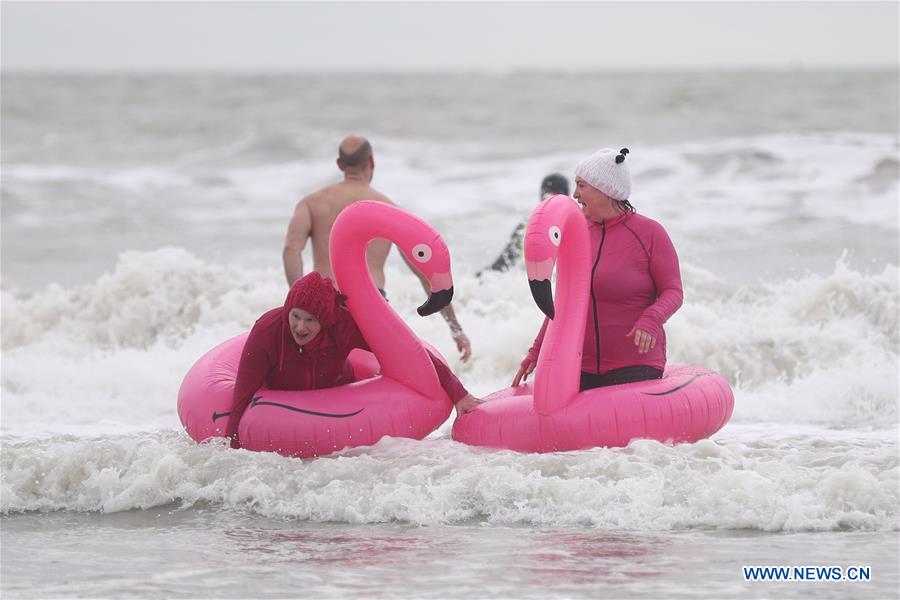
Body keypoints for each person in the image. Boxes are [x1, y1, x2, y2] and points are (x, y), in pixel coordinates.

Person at [225, 272, 483, 448]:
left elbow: (408, 352)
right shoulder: (269, 332)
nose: (300, 327)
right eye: (295, 316)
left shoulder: (345, 327)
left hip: (338, 393)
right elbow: (243, 394)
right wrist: (231, 446)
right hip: (281, 400)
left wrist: (458, 393)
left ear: (325, 320)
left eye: (310, 320)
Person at [282, 136, 472, 362]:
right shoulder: (389, 211)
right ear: (371, 163)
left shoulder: (311, 203)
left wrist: (300, 302)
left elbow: (291, 249)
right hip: (371, 305)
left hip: (322, 303)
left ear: (340, 165)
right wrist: (455, 328)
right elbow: (424, 274)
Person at [512, 148, 683, 391]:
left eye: (582, 186)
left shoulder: (649, 233)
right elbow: (562, 303)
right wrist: (535, 352)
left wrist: (651, 319)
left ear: (605, 189)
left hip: (635, 364)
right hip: (581, 365)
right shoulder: (577, 236)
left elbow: (673, 291)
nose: (575, 194)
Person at [478, 173, 570, 275]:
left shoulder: (527, 226)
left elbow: (502, 265)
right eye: (547, 198)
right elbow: (502, 264)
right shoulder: (578, 225)